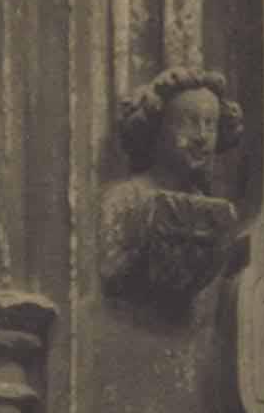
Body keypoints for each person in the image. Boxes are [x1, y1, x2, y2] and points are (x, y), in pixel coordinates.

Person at [100, 67, 245, 309]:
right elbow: (110, 270)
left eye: (210, 125)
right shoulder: (126, 198)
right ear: (157, 128)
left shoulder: (216, 212)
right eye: (188, 123)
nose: (201, 136)